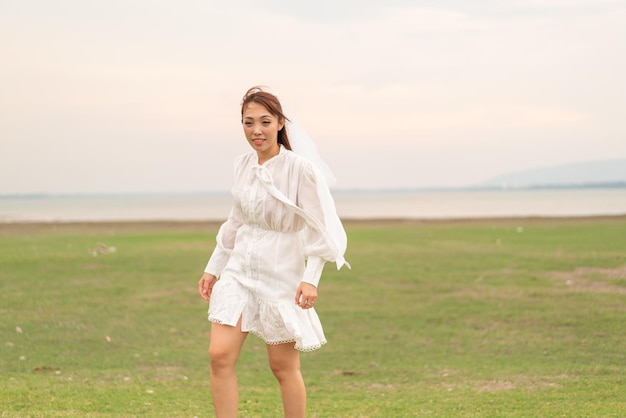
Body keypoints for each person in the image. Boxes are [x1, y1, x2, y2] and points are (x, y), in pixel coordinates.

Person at [198, 86, 349, 418]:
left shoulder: (300, 169)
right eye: (248, 122)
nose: (256, 131)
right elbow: (236, 220)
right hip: (239, 271)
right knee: (219, 355)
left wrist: (311, 280)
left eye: (265, 121)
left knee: (282, 367)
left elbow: (321, 228)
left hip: (281, 274)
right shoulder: (242, 164)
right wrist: (214, 267)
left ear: (280, 123)